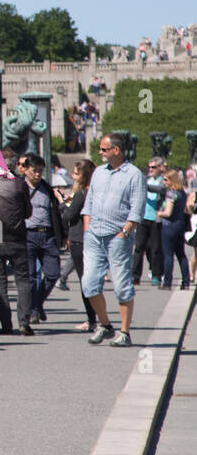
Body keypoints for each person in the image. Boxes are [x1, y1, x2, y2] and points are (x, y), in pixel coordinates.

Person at [83, 133, 147, 347]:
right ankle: (105, 325)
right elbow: (89, 202)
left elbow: (137, 208)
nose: (100, 153)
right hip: (94, 236)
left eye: (103, 149)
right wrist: (87, 228)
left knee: (121, 285)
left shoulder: (134, 174)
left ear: (116, 150)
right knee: (89, 284)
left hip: (117, 237)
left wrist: (125, 231)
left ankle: (125, 332)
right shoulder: (99, 173)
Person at [0, 150, 35, 335]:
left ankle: (6, 324)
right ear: (12, 165)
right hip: (16, 235)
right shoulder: (19, 185)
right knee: (22, 280)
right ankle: (23, 322)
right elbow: (28, 212)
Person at [19, 154, 65, 323]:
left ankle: (36, 305)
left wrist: (62, 235)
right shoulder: (19, 187)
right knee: (30, 277)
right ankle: (33, 310)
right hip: (28, 235)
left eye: (40, 171)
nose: (37, 175)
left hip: (47, 235)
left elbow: (57, 213)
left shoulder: (47, 188)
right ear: (25, 170)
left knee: (53, 274)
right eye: (34, 171)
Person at [62, 160, 97, 331]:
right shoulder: (95, 192)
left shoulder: (81, 193)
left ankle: (92, 319)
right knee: (92, 279)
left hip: (79, 239)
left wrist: (61, 203)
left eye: (76, 173)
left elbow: (69, 215)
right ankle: (96, 317)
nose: (73, 176)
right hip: (94, 239)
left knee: (85, 281)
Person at [133, 157, 166, 287]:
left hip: (156, 219)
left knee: (156, 249)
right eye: (149, 167)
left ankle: (156, 275)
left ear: (160, 168)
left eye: (153, 167)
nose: (150, 170)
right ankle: (135, 276)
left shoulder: (163, 181)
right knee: (139, 248)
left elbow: (161, 191)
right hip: (143, 218)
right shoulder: (146, 180)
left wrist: (144, 186)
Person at [157, 168, 190, 290]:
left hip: (169, 226)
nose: (164, 182)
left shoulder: (171, 194)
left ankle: (167, 282)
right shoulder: (182, 193)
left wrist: (159, 213)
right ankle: (185, 281)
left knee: (168, 255)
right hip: (180, 225)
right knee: (181, 254)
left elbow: (168, 212)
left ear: (172, 180)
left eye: (166, 180)